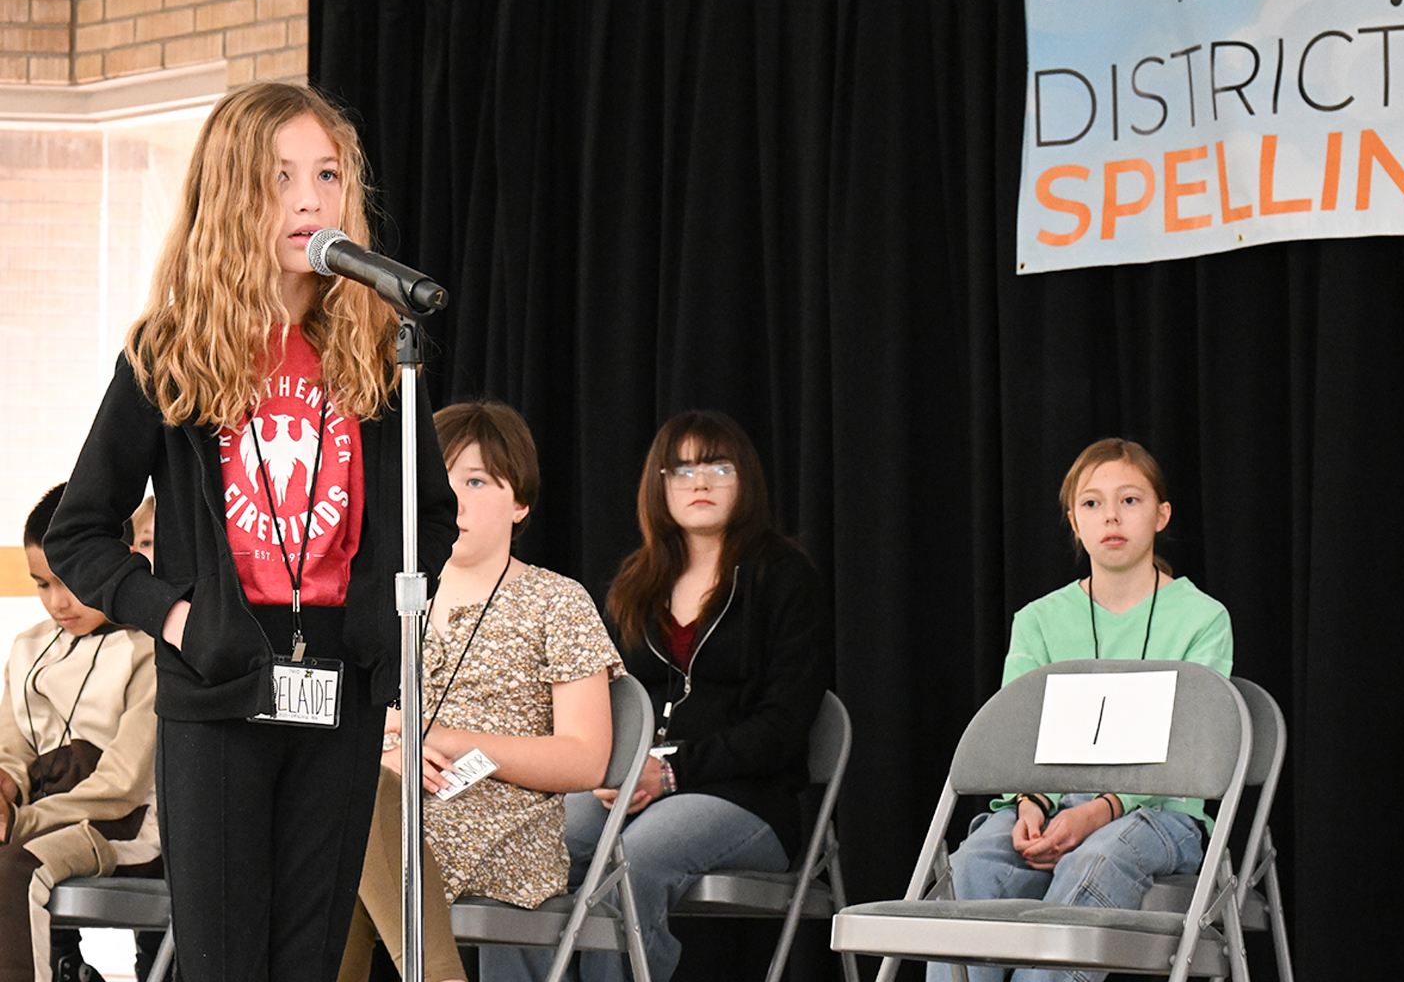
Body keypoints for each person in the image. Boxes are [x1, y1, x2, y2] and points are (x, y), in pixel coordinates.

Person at [43, 81, 459, 982]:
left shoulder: (377, 349)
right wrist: (183, 619)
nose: (312, 199)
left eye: (328, 174)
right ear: (232, 194)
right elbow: (82, 532)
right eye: (280, 178)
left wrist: (383, 634)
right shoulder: (170, 351)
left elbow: (433, 511)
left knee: (307, 961)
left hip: (339, 689)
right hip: (221, 688)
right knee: (226, 962)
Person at [488, 410, 828, 982]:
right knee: (521, 848)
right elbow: (603, 702)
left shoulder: (784, 577)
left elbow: (784, 726)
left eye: (719, 467)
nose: (700, 482)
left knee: (634, 860)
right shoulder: (636, 581)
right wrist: (607, 766)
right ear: (660, 485)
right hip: (625, 786)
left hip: (744, 798)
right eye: (682, 469)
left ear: (745, 480)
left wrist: (668, 775)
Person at [928, 437, 1233, 982]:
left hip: (1159, 813)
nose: (1110, 515)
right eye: (1091, 503)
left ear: (1161, 514)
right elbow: (1017, 741)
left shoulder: (1202, 618)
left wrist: (1097, 811)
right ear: (1073, 519)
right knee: (972, 865)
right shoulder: (1039, 621)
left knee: (1095, 858)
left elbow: (1193, 753)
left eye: (1130, 500)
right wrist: (1029, 806)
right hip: (1049, 801)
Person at [337, 400, 622, 982]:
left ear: (520, 501)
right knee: (334, 820)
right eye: (438, 481)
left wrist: (440, 740)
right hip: (388, 813)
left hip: (501, 828)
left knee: (343, 836)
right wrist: (389, 754)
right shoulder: (379, 601)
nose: (453, 499)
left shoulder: (556, 602)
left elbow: (585, 758)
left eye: (476, 481)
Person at [1, 484, 158, 982]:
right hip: (42, 817)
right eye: (42, 584)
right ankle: (66, 967)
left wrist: (22, 822)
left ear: (123, 558)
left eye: (70, 580)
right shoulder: (27, 648)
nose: (57, 602)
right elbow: (11, 749)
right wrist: (4, 791)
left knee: (16, 867)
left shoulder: (153, 649)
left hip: (125, 827)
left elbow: (122, 785)